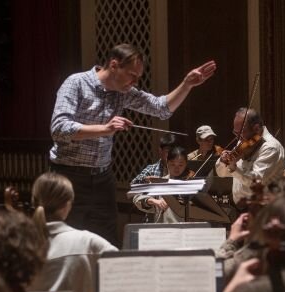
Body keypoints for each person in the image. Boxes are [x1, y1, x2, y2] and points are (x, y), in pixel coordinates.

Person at [49, 43, 216, 245]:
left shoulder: (123, 92)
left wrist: (187, 84)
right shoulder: (76, 83)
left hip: (102, 178)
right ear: (114, 65)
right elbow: (59, 128)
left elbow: (160, 108)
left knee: (106, 243)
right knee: (67, 243)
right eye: (132, 75)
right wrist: (104, 128)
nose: (135, 81)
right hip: (69, 177)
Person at [27, 172, 118, 292]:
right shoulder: (88, 242)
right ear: (67, 205)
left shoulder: (20, 245)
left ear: (34, 203)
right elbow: (123, 266)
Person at [215, 107, 285, 204]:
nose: (238, 138)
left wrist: (233, 168)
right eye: (235, 133)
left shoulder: (271, 148)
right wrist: (223, 162)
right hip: (241, 207)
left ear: (256, 128)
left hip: (263, 210)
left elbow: (255, 180)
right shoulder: (243, 141)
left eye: (240, 133)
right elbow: (222, 174)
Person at [134, 146, 195, 223]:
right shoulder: (160, 182)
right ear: (167, 162)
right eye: (173, 164)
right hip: (163, 229)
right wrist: (153, 201)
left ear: (186, 164)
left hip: (185, 229)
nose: (176, 169)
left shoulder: (192, 184)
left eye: (180, 165)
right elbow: (137, 198)